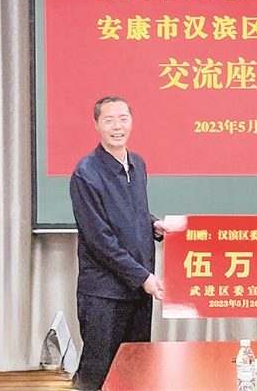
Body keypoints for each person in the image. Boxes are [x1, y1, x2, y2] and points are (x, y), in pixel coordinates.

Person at [70, 96, 169, 389]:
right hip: (104, 294)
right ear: (97, 125)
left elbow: (132, 212)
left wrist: (153, 224)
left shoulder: (137, 164)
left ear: (131, 122)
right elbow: (99, 239)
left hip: (137, 290)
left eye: (123, 119)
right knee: (98, 373)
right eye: (109, 120)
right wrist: (143, 277)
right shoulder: (86, 173)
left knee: (135, 370)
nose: (117, 127)